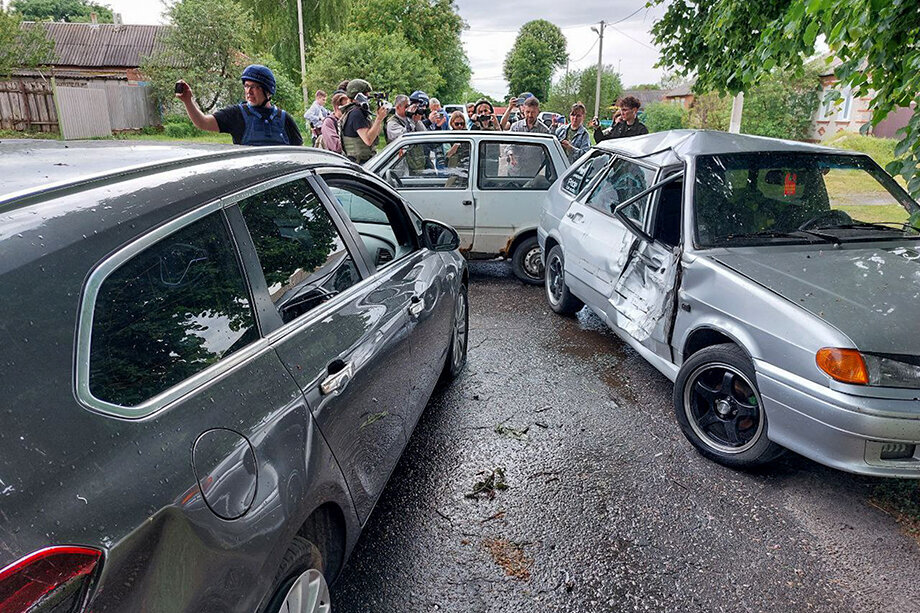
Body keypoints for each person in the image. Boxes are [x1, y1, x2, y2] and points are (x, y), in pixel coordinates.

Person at [175, 64, 302, 146]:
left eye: (254, 87)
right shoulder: (236, 114)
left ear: (268, 91)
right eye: (246, 86)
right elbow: (203, 122)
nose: (249, 91)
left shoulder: (284, 119)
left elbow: (299, 155)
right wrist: (188, 101)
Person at [340, 78, 388, 163]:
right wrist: (379, 119)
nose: (368, 96)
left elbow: (374, 134)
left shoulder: (357, 111)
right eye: (366, 94)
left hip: (362, 161)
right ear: (358, 95)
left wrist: (379, 119)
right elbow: (368, 140)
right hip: (359, 162)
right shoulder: (356, 114)